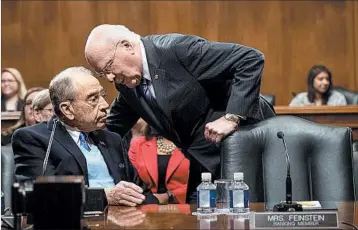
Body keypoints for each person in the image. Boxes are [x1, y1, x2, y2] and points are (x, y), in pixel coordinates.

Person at [84, 24, 272, 202]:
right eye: (102, 73)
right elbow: (110, 128)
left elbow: (250, 59)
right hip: (203, 164)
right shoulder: (126, 84)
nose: (109, 78)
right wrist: (69, 135)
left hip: (243, 155)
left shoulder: (177, 49)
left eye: (109, 66)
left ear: (127, 46)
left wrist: (232, 117)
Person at [12, 67, 158, 206]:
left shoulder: (112, 139)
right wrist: (105, 197)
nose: (105, 105)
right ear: (67, 109)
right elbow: (41, 197)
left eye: (103, 95)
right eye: (93, 99)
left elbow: (142, 192)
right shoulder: (34, 139)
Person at [129, 125, 190, 204]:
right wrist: (150, 199)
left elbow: (199, 182)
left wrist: (168, 196)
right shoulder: (137, 144)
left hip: (184, 207)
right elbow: (131, 179)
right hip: (145, 206)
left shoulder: (193, 145)